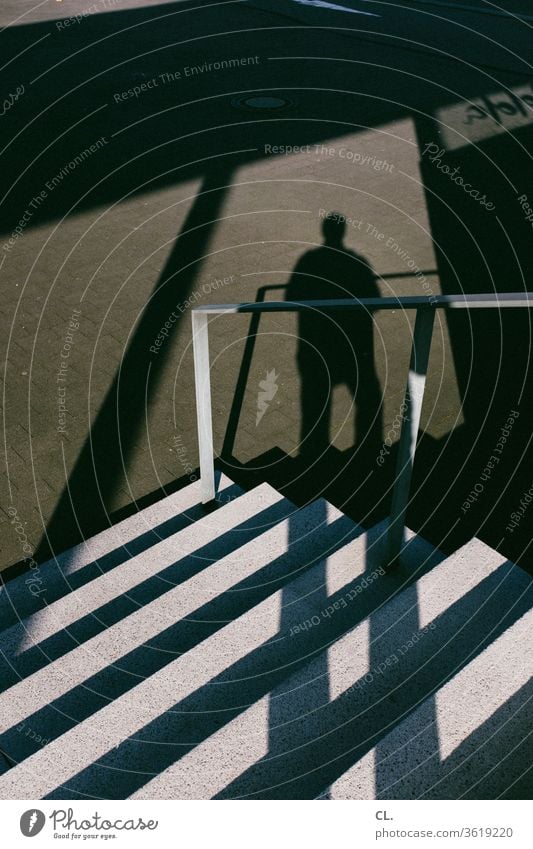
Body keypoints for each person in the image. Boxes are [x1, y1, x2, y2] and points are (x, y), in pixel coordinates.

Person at [286, 212, 382, 457]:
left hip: (316, 344)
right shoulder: (357, 262)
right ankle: (368, 451)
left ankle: (314, 454)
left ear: (324, 231)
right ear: (343, 232)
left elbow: (291, 298)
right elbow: (375, 300)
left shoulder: (309, 261)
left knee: (316, 401)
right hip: (353, 344)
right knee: (367, 399)